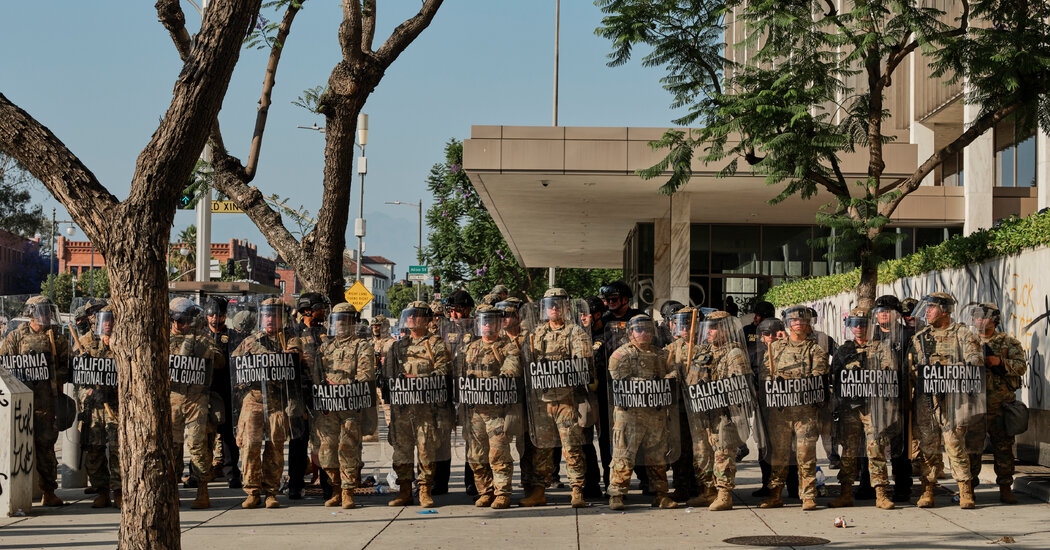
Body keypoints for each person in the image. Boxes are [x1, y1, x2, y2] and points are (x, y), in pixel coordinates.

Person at [907, 292, 984, 509]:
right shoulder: (920, 337)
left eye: (931, 308)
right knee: (927, 447)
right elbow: (911, 368)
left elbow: (975, 364)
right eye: (927, 308)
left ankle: (965, 490)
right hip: (926, 400)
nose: (927, 312)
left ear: (945, 310)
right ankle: (927, 489)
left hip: (954, 399)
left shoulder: (963, 335)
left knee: (955, 445)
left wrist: (946, 370)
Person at [521, 288, 592, 508]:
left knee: (571, 446)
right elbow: (527, 360)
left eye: (558, 304)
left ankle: (577, 489)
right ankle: (540, 490)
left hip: (566, 399)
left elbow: (583, 361)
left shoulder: (575, 332)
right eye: (550, 304)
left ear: (566, 307)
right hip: (543, 400)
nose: (553, 308)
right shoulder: (537, 333)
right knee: (542, 448)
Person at [230, 297, 303, 509]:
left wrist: (281, 356)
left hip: (277, 402)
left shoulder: (290, 339)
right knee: (250, 446)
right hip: (252, 401)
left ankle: (271, 492)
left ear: (281, 318)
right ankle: (252, 491)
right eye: (267, 315)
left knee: (275, 447)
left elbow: (294, 358)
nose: (270, 319)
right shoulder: (251, 341)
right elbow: (236, 365)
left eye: (274, 315)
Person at [757, 306, 829, 511]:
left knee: (805, 454)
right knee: (778, 455)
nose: (798, 324)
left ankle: (808, 495)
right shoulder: (775, 348)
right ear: (788, 324)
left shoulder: (815, 350)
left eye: (802, 320)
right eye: (794, 320)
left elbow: (818, 378)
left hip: (805, 412)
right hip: (780, 412)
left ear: (808, 325)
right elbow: (765, 376)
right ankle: (775, 494)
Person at [680, 311, 754, 511]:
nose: (709, 332)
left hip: (725, 412)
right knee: (703, 454)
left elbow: (739, 385)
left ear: (725, 330)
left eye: (714, 328)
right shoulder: (703, 351)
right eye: (708, 328)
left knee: (723, 453)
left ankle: (724, 494)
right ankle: (708, 491)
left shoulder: (734, 353)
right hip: (705, 412)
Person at [828, 307, 899, 510]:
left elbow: (889, 374)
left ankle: (881, 494)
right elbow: (835, 379)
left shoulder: (882, 348)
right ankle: (845, 493)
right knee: (849, 451)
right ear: (850, 326)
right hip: (849, 408)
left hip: (873, 407)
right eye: (855, 324)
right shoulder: (844, 350)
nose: (859, 327)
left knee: (875, 449)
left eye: (863, 324)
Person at [385, 301, 453, 508]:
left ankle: (424, 490)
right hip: (403, 409)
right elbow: (388, 375)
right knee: (401, 451)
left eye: (416, 316)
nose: (412, 319)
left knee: (426, 450)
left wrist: (418, 377)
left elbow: (443, 371)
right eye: (409, 316)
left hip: (426, 409)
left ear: (426, 319)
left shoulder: (436, 344)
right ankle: (405, 490)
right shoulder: (398, 346)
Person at [607, 314, 678, 510]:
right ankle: (616, 494)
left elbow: (674, 372)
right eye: (639, 329)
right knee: (623, 455)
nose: (644, 333)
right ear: (631, 333)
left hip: (655, 415)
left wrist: (668, 378)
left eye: (647, 329)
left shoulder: (661, 354)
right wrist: (651, 383)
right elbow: (619, 378)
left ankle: (661, 494)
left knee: (657, 457)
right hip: (630, 414)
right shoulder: (622, 355)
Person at [456, 305, 522, 509]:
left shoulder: (507, 346)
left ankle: (502, 493)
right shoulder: (469, 347)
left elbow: (512, 368)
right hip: (474, 410)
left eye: (491, 321)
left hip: (497, 410)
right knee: (475, 455)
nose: (487, 325)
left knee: (499, 453)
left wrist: (498, 379)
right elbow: (457, 371)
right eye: (484, 321)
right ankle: (485, 491)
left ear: (499, 323)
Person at [313, 303, 375, 509]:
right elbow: (317, 376)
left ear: (352, 322)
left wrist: (345, 385)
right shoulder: (325, 347)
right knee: (327, 450)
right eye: (337, 320)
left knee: (347, 448)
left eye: (345, 320)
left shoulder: (362, 345)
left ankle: (348, 492)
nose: (340, 324)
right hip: (328, 407)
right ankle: (336, 489)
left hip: (350, 405)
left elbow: (365, 374)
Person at [963, 303, 1027, 504]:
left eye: (984, 318)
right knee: (972, 449)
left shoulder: (1007, 342)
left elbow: (1021, 367)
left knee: (1004, 449)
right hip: (973, 406)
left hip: (1000, 405)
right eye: (976, 317)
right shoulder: (966, 341)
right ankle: (969, 488)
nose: (979, 321)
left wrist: (999, 362)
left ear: (994, 320)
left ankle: (1005, 487)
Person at [169, 297, 222, 509]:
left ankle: (202, 489)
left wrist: (204, 351)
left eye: (188, 320)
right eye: (181, 320)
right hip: (172, 399)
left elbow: (219, 361)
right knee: (172, 447)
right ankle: (172, 490)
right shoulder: (164, 339)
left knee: (198, 446)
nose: (185, 324)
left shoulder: (202, 338)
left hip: (197, 399)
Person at [74, 304, 121, 508]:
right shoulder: (85, 343)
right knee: (94, 450)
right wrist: (90, 392)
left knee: (118, 450)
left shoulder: (123, 344)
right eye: (104, 319)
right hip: (94, 408)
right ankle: (102, 491)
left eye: (110, 319)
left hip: (116, 407)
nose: (106, 323)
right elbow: (77, 379)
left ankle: (119, 490)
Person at [289, 292, 330, 500]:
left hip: (321, 396)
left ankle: (327, 485)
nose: (323, 311)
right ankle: (295, 485)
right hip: (299, 397)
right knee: (298, 442)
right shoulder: (291, 332)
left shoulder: (326, 333)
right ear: (307, 310)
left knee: (323, 441)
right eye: (319, 307)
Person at [581, 296, 613, 498]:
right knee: (584, 440)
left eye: (586, 314)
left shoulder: (610, 335)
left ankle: (612, 484)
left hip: (604, 396)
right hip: (584, 396)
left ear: (598, 315)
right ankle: (591, 483)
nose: (582, 318)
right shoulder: (579, 335)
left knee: (606, 441)